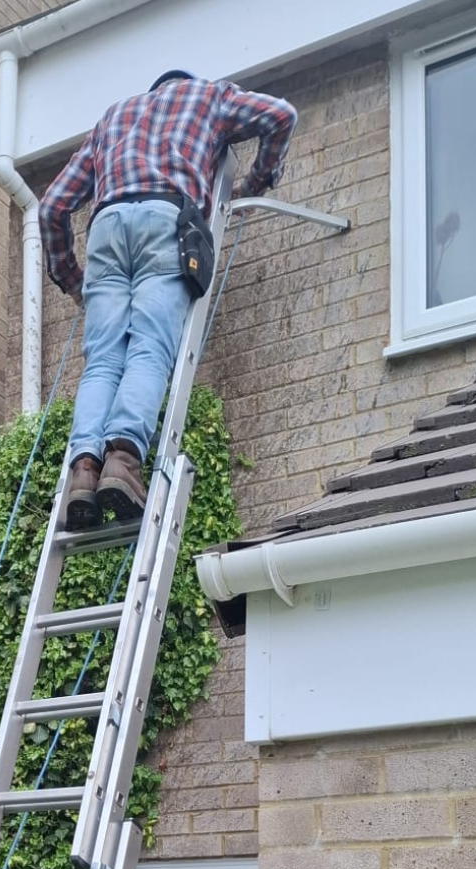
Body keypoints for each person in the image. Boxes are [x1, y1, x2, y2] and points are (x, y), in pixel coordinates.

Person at [34, 69, 296, 529]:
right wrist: (255, 183)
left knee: (102, 361)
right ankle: (122, 462)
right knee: (150, 346)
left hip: (107, 228)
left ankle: (84, 469)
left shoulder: (113, 118)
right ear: (184, 83)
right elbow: (280, 115)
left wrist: (72, 280)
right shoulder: (208, 97)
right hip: (166, 219)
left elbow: (52, 206)